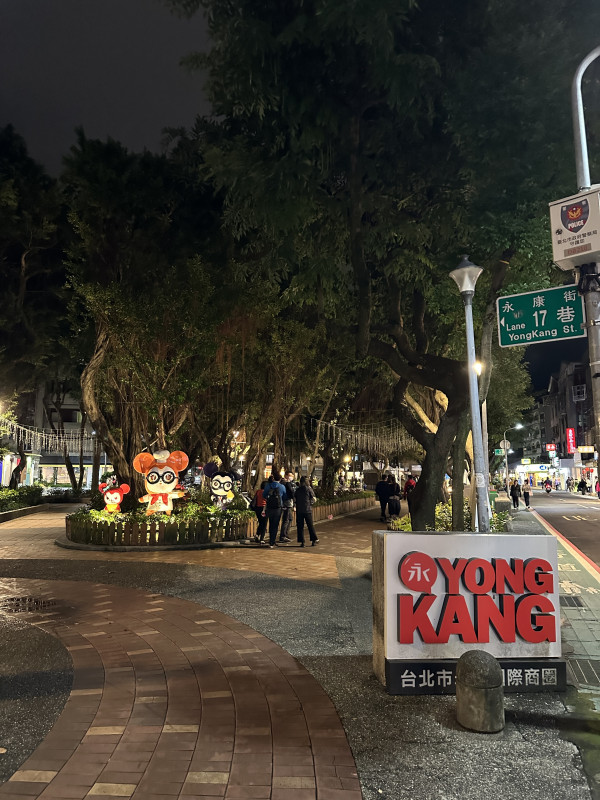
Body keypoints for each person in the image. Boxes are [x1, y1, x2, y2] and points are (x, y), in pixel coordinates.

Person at [263, 474, 286, 547]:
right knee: (275, 524)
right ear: (280, 479)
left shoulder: (268, 485)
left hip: (269, 506)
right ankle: (273, 541)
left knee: (271, 523)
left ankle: (271, 540)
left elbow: (264, 495)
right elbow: (285, 496)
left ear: (273, 478)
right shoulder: (282, 486)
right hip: (278, 507)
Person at [295, 476, 319, 546]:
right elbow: (314, 498)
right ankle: (313, 540)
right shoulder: (309, 489)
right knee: (310, 525)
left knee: (300, 526)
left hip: (299, 510)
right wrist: (310, 503)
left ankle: (302, 541)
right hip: (307, 510)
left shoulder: (298, 490)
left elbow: (295, 498)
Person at [280, 470, 296, 543]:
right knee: (286, 519)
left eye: (292, 476)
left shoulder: (290, 483)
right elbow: (291, 492)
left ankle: (285, 534)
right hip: (286, 503)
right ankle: (283, 536)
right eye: (289, 475)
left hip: (289, 503)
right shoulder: (284, 483)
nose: (291, 477)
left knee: (289, 519)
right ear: (285, 475)